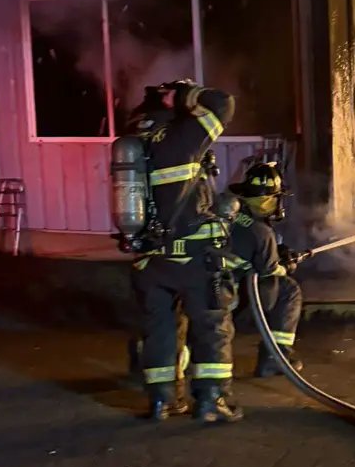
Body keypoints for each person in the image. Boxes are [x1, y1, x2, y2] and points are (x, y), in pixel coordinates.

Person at [126, 80, 242, 423]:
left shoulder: (133, 146)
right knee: (211, 326)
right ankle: (212, 400)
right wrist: (186, 92)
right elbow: (223, 102)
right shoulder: (179, 140)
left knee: (160, 331)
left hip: (150, 262)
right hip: (194, 259)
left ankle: (162, 401)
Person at [225, 162, 305, 377]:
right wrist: (287, 265)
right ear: (268, 201)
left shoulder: (232, 215)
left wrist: (277, 251)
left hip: (209, 293)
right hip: (238, 302)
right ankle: (276, 358)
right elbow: (269, 271)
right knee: (289, 289)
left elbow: (247, 252)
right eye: (277, 198)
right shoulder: (261, 232)